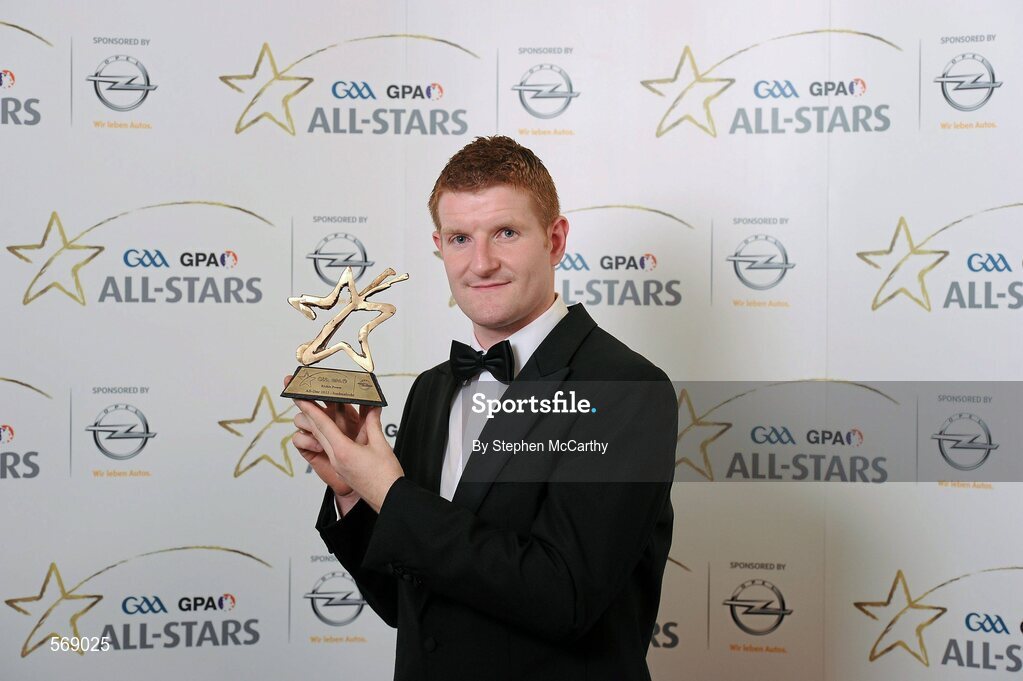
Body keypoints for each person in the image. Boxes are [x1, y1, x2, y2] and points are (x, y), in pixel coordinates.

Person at [289, 136, 676, 681]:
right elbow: (407, 604)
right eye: (460, 238)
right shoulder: (431, 390)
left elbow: (563, 597)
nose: (482, 262)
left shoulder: (626, 389)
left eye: (507, 233)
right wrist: (353, 493)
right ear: (439, 246)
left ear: (556, 239)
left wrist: (388, 492)